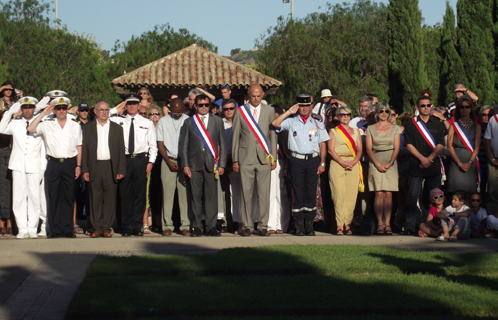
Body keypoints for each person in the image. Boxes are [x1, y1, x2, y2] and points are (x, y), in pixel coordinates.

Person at [272, 94, 329, 236]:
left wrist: (322, 162)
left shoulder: (317, 123)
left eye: (307, 106)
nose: (304, 108)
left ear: (311, 106)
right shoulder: (291, 121)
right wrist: (288, 112)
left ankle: (309, 225)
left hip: (313, 160)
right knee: (297, 191)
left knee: (311, 191)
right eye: (301, 106)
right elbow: (275, 124)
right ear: (297, 106)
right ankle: (299, 225)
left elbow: (322, 144)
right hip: (296, 160)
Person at [27, 97, 82, 239]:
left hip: (70, 163)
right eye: (58, 108)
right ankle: (55, 229)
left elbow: (78, 146)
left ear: (67, 109)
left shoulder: (74, 125)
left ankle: (68, 229)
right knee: (53, 197)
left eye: (64, 108)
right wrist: (43, 114)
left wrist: (78, 165)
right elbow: (31, 128)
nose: (61, 111)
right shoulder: (47, 124)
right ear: (54, 110)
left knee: (68, 197)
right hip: (53, 163)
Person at [232, 83, 277, 237]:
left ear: (262, 95)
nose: (256, 99)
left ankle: (263, 225)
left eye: (258, 96)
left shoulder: (270, 111)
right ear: (248, 95)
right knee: (245, 193)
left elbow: (272, 135)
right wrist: (235, 159)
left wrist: (274, 157)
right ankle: (247, 225)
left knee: (264, 193)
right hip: (245, 158)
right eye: (253, 96)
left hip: (265, 157)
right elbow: (236, 136)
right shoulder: (240, 112)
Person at [110, 94, 158, 237]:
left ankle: (137, 226)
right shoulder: (117, 120)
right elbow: (103, 118)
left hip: (140, 160)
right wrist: (114, 109)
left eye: (134, 104)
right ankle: (126, 226)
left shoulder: (147, 122)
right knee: (125, 195)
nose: (131, 106)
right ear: (125, 105)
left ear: (139, 106)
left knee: (139, 195)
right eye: (129, 103)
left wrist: (151, 162)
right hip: (124, 160)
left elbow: (152, 145)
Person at [0, 97, 48, 238]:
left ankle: (32, 228)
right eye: (25, 107)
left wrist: (42, 168)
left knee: (34, 197)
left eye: (30, 107)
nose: (27, 110)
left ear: (34, 109)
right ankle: (22, 227)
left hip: (34, 165)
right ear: (22, 109)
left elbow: (43, 149)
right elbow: (1, 128)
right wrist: (9, 113)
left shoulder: (40, 124)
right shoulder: (15, 124)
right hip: (18, 165)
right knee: (19, 198)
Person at [179, 94, 227, 237]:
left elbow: (223, 144)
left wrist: (222, 164)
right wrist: (185, 165)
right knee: (196, 197)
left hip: (212, 164)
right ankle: (197, 227)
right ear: (195, 106)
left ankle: (211, 227)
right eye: (201, 105)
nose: (204, 107)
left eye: (206, 105)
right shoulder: (189, 122)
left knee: (211, 197)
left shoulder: (217, 121)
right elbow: (184, 146)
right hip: (194, 164)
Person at [81, 101, 126, 238]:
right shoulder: (88, 128)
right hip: (94, 166)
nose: (104, 112)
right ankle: (96, 227)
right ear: (95, 111)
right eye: (101, 110)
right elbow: (84, 151)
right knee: (95, 197)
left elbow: (121, 151)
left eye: (106, 110)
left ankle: (106, 227)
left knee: (109, 198)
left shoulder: (116, 128)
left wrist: (121, 169)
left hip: (110, 166)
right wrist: (85, 169)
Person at [402, 96, 445, 235]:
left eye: (428, 105)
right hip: (416, 165)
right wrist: (422, 158)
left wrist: (429, 159)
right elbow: (408, 144)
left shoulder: (437, 123)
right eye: (423, 106)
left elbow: (440, 144)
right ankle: (409, 225)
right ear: (417, 107)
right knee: (412, 196)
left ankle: (433, 225)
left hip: (433, 165)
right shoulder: (411, 124)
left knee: (434, 197)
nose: (426, 108)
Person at [365, 102, 401, 235]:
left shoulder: (395, 128)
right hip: (375, 161)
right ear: (377, 113)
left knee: (389, 194)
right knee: (379, 194)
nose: (384, 113)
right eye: (381, 111)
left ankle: (388, 224)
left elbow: (397, 147)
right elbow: (368, 148)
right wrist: (378, 164)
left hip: (391, 161)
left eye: (386, 111)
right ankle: (379, 223)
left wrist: (391, 162)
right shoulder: (370, 128)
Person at [156, 98, 191, 236]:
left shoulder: (188, 120)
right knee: (168, 195)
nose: (177, 114)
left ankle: (185, 225)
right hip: (168, 160)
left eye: (179, 112)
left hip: (184, 161)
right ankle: (167, 226)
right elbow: (160, 143)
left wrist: (185, 162)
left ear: (183, 108)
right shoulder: (163, 121)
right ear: (170, 108)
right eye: (174, 112)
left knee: (184, 195)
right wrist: (168, 161)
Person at [328, 106, 363, 235]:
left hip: (353, 163)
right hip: (338, 163)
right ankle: (339, 224)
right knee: (338, 195)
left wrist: (354, 162)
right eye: (343, 115)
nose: (346, 117)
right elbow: (331, 150)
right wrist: (342, 162)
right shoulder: (333, 131)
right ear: (338, 116)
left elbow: (360, 149)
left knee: (351, 195)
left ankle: (347, 224)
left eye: (348, 114)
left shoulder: (356, 131)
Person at [446, 96, 481, 194]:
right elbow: (449, 146)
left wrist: (469, 162)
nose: (464, 109)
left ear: (471, 109)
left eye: (467, 107)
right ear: (458, 109)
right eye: (462, 107)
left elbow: (477, 147)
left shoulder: (477, 126)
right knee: (455, 192)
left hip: (471, 160)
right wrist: (459, 163)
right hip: (456, 160)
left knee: (470, 192)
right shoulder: (453, 125)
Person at [144, 105, 163, 233]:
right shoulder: (145, 127)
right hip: (149, 162)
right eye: (151, 114)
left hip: (162, 162)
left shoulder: (163, 128)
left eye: (156, 113)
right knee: (148, 192)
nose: (154, 116)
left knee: (159, 192)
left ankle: (159, 221)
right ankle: (149, 220)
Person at [219, 99, 237, 233]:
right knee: (224, 192)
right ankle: (226, 221)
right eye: (226, 109)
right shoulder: (219, 123)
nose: (229, 111)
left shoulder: (241, 122)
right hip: (224, 161)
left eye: (231, 108)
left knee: (237, 193)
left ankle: (239, 221)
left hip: (238, 162)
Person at [484, 107, 498, 216]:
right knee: (492, 190)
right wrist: (492, 158)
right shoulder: (494, 119)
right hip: (494, 161)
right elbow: (487, 140)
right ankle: (491, 218)